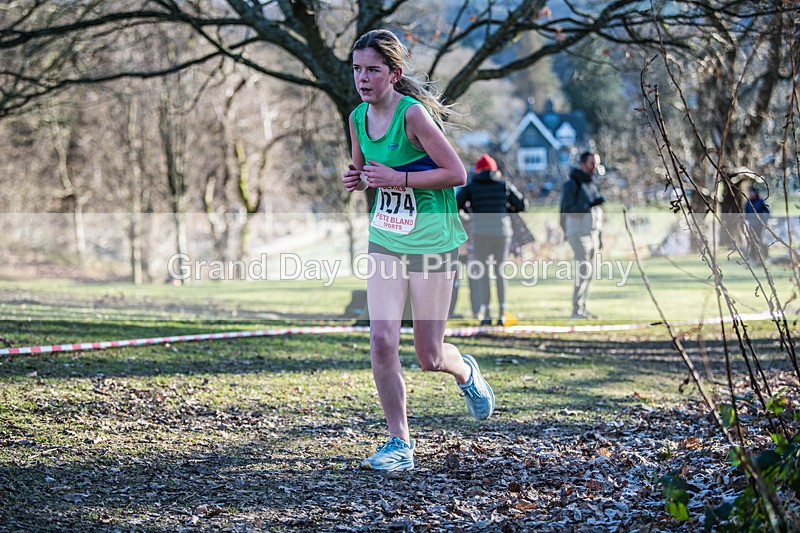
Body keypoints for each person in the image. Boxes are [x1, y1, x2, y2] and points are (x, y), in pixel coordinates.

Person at [341, 29, 495, 472]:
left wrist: (400, 179)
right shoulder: (357, 118)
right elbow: (365, 172)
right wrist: (359, 180)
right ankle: (400, 443)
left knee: (430, 356)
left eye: (372, 70)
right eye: (357, 69)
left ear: (394, 74)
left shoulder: (412, 116)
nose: (363, 78)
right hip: (387, 236)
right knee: (382, 339)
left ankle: (464, 370)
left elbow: (457, 173)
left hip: (432, 239)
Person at [456, 154, 527, 325]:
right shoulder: (504, 185)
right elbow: (522, 205)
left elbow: (455, 205)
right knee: (500, 272)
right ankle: (501, 313)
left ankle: (486, 313)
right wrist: (507, 208)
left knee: (483, 272)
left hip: (480, 233)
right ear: (494, 169)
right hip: (502, 232)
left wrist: (469, 213)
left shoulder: (471, 186)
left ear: (478, 170)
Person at [560, 152, 605, 320]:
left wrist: (600, 234)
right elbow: (566, 209)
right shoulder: (572, 184)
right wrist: (588, 205)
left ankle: (582, 308)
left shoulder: (592, 184)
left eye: (596, 163)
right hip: (577, 233)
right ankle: (576, 309)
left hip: (592, 233)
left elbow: (596, 211)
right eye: (592, 163)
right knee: (583, 270)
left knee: (589, 272)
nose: (595, 167)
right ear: (582, 164)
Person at [744, 185, 770, 259]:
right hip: (751, 225)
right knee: (752, 239)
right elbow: (746, 213)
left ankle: (764, 254)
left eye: (751, 192)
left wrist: (764, 221)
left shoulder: (761, 201)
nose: (750, 194)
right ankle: (753, 255)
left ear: (755, 192)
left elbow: (767, 212)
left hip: (760, 224)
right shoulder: (748, 202)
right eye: (749, 192)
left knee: (760, 239)